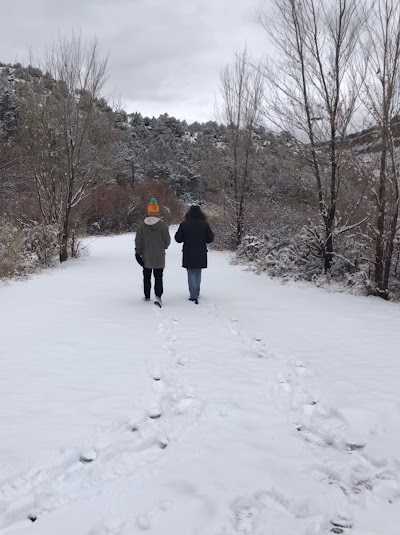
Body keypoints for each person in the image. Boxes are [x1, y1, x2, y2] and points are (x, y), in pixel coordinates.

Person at [175, 205, 214, 304]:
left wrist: (185, 237)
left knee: (191, 272)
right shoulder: (204, 224)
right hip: (201, 251)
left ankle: (193, 295)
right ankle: (196, 291)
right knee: (198, 272)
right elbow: (210, 238)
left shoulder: (184, 224)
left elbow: (178, 238)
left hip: (188, 251)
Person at [135, 197, 171, 307]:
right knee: (158, 276)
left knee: (147, 276)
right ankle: (158, 294)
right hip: (159, 256)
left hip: (146, 256)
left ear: (148, 212)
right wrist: (162, 247)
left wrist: (138, 252)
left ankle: (146, 295)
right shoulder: (163, 226)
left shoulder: (142, 226)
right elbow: (167, 241)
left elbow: (138, 240)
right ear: (157, 212)